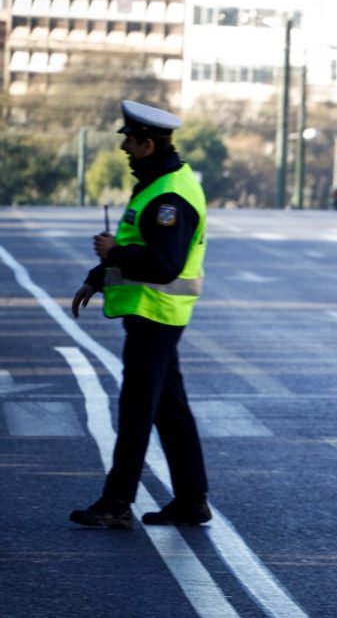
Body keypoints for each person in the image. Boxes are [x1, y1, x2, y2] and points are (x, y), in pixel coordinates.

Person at [69, 100, 211, 529]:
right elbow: (140, 244)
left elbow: (165, 264)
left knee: (136, 410)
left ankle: (116, 503)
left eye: (130, 141)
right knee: (170, 410)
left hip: (157, 313)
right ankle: (191, 501)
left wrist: (115, 253)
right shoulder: (158, 183)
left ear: (148, 144)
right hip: (154, 313)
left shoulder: (169, 196)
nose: (125, 148)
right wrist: (98, 274)